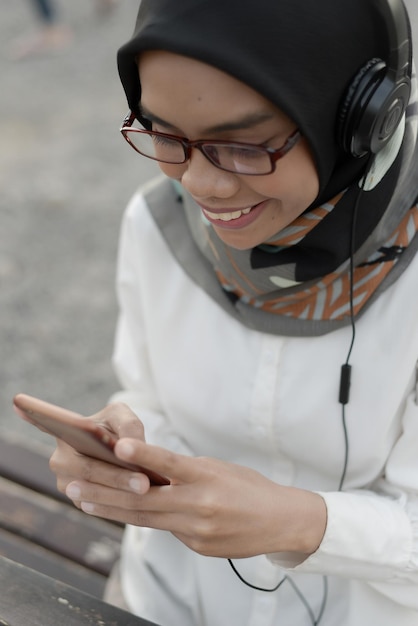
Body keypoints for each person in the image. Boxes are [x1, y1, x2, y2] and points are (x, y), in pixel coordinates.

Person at [49, 0, 418, 624]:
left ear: (360, 121)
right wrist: (128, 444)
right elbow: (152, 397)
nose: (200, 184)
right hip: (165, 601)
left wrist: (301, 522)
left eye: (244, 146)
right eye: (164, 134)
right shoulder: (158, 223)